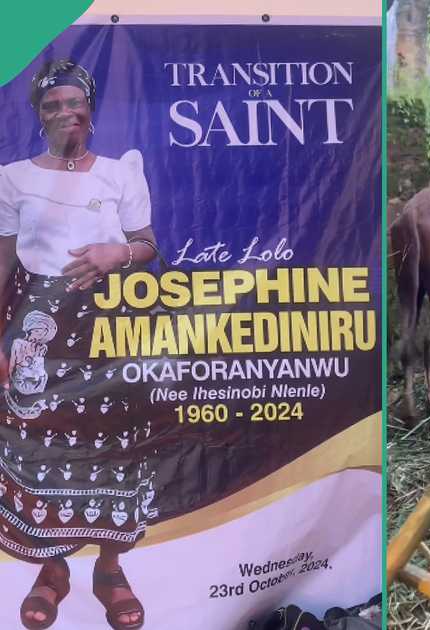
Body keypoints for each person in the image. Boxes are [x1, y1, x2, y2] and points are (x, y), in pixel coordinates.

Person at [0, 59, 158, 630]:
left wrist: (121, 253)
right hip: (39, 329)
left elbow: (147, 244)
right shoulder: (13, 177)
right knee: (42, 447)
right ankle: (53, 569)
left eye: (75, 103)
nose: (66, 112)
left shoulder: (120, 173)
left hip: (111, 328)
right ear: (38, 115)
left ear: (90, 111)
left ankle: (110, 570)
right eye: (52, 105)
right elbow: (2, 265)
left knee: (117, 445)